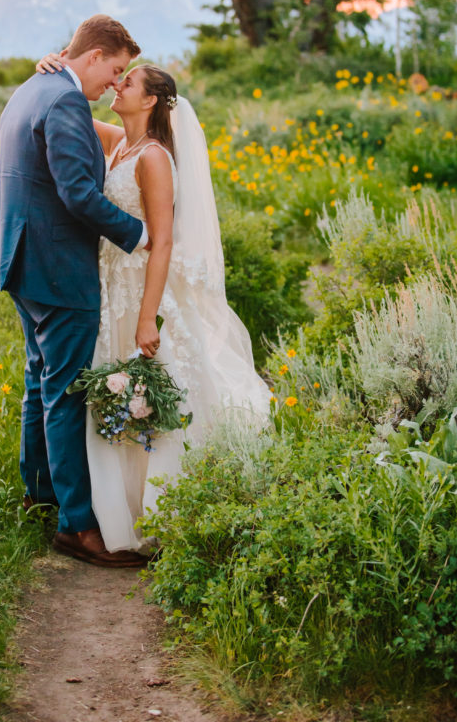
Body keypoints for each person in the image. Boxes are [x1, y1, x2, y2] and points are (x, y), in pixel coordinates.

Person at [36, 54, 272, 553]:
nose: (117, 85)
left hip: (140, 292)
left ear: (151, 101)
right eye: (118, 77)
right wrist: (58, 65)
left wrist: (148, 317)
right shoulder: (120, 142)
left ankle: (160, 510)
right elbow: (69, 103)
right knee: (113, 392)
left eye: (129, 82)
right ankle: (112, 505)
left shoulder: (154, 157)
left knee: (151, 388)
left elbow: (161, 242)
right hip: (108, 288)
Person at [0, 14, 151, 568]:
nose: (114, 84)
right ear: (94, 54)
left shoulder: (33, 88)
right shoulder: (67, 101)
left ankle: (40, 494)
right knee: (66, 392)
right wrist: (138, 233)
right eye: (115, 69)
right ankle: (76, 526)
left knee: (40, 380)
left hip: (21, 260)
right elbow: (78, 194)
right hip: (57, 269)